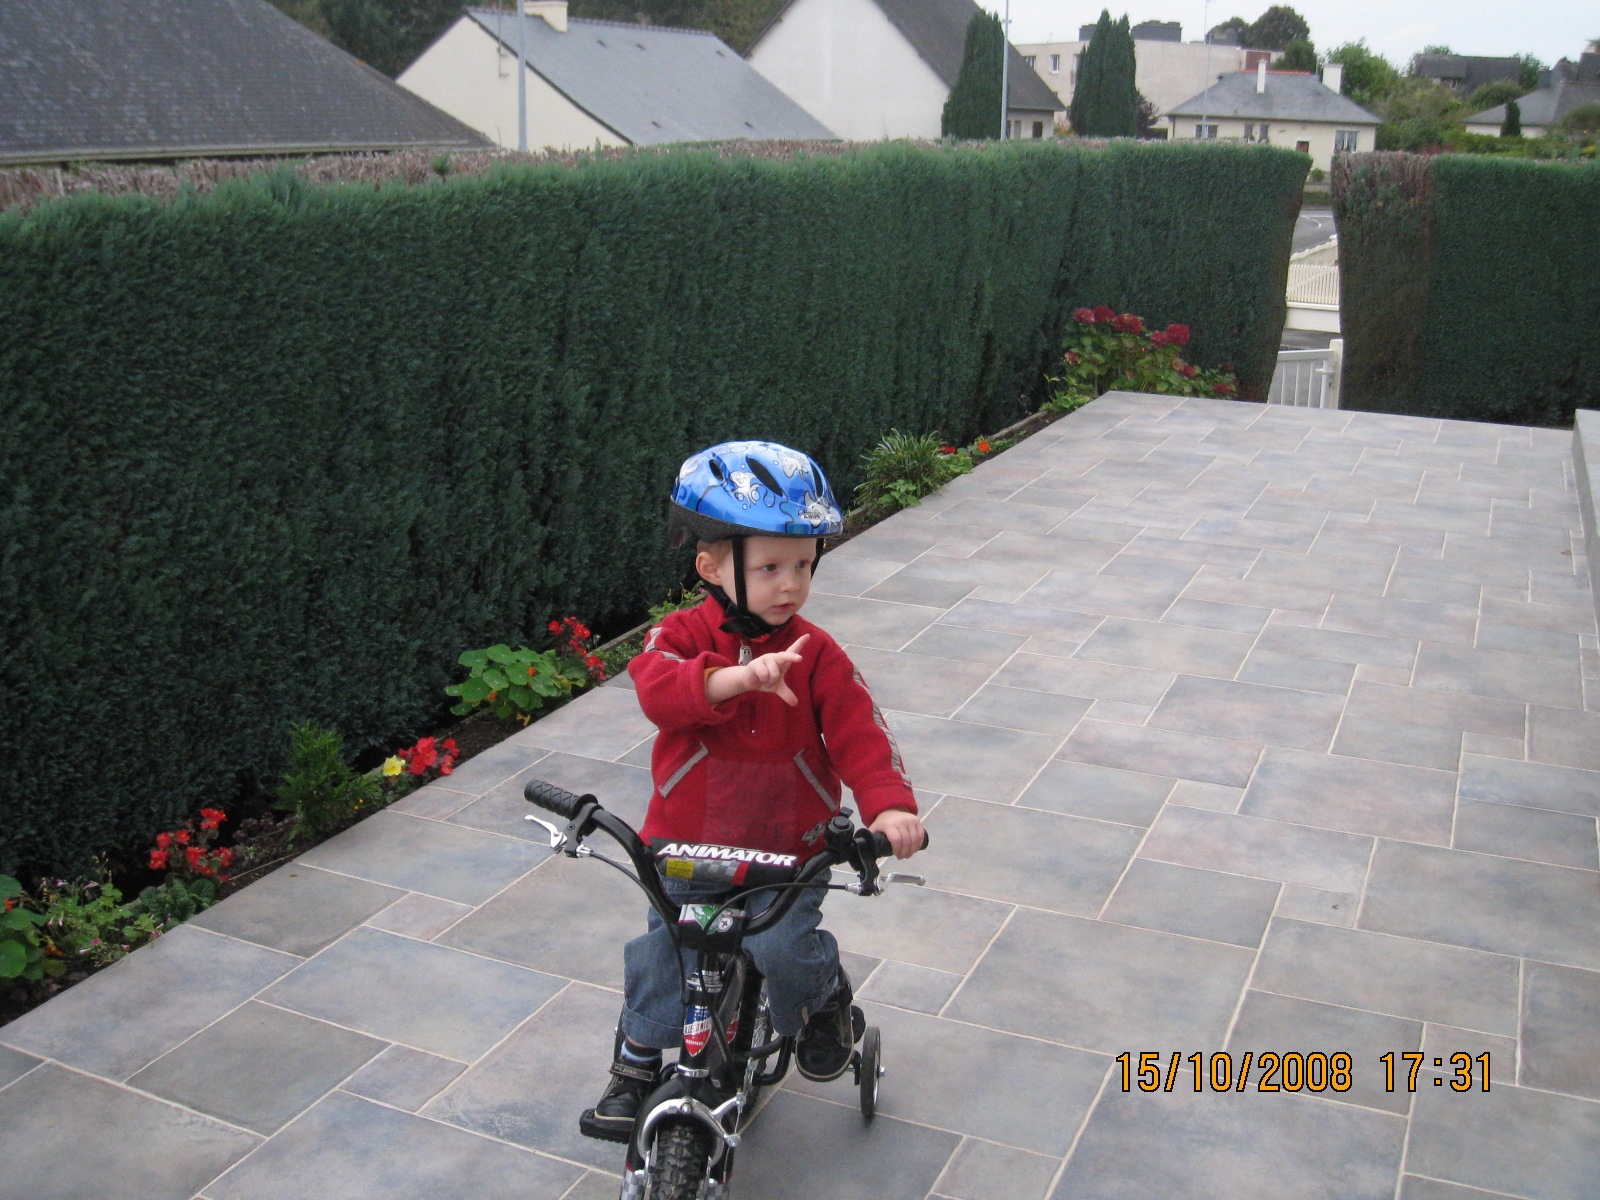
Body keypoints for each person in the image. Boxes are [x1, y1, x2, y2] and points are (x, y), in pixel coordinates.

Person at [582, 439, 925, 1141]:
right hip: (686, 846)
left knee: (782, 950)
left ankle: (825, 999)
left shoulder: (817, 653)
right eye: (770, 567)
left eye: (803, 565)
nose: (790, 584)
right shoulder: (677, 637)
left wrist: (888, 805)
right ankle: (637, 1061)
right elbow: (658, 692)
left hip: (787, 849)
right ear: (711, 567)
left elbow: (861, 732)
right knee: (664, 952)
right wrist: (735, 680)